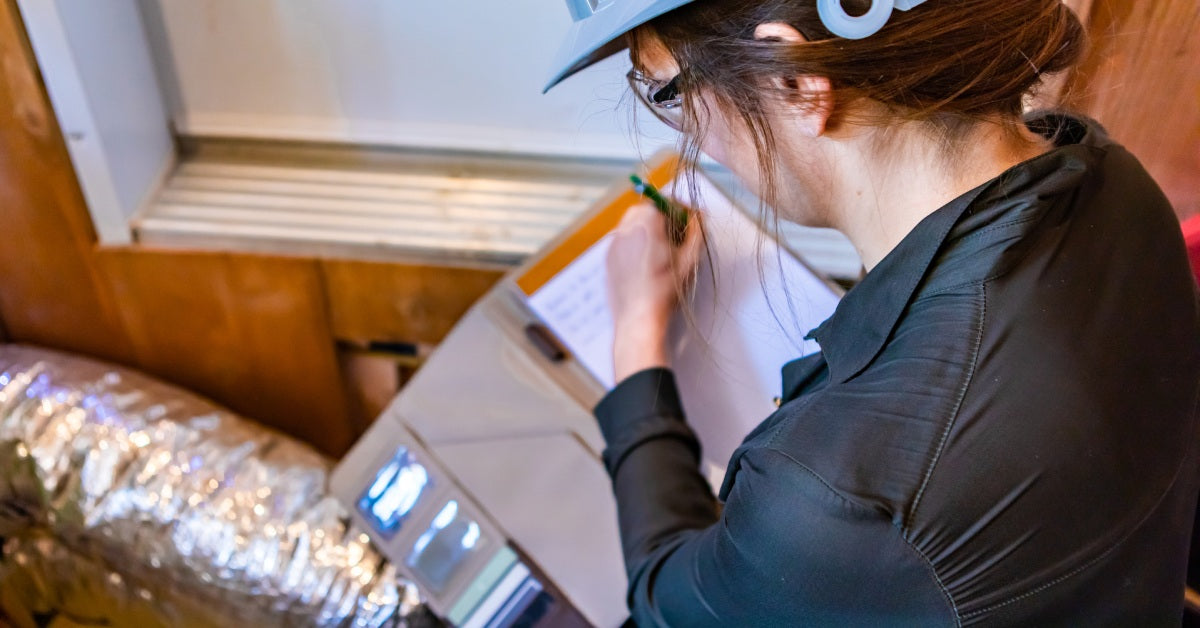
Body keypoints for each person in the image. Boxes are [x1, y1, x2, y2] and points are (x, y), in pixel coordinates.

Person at [542, 0, 1200, 625]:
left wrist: (635, 334)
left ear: (796, 82)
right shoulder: (1109, 178)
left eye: (669, 93)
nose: (697, 139)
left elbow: (668, 603)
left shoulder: (842, 501)